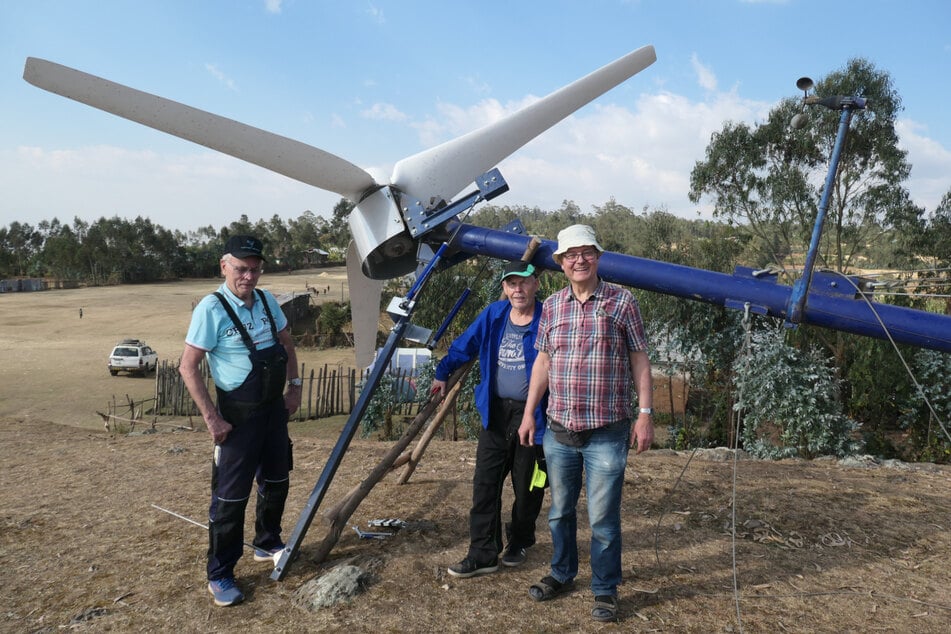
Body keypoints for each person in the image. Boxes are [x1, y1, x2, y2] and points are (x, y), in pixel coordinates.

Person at [517, 224, 653, 623]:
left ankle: (606, 589)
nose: (579, 260)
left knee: (602, 518)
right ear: (560, 263)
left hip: (607, 431)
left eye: (586, 252)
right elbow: (543, 361)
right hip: (560, 429)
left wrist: (645, 415)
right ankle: (561, 573)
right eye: (570, 254)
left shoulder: (622, 302)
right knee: (559, 511)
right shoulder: (554, 307)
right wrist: (529, 413)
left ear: (597, 257)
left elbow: (639, 359)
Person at [179, 235, 302, 607]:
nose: (248, 276)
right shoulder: (210, 309)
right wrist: (212, 418)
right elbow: (188, 367)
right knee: (231, 498)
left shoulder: (266, 301)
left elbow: (287, 344)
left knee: (278, 479)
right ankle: (220, 574)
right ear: (224, 266)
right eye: (241, 268)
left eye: (254, 269)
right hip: (237, 419)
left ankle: (268, 543)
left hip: (272, 412)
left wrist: (294, 388)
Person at [433, 260, 549, 578]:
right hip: (496, 412)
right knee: (485, 484)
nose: (517, 289)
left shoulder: (548, 320)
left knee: (529, 487)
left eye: (523, 282)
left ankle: (520, 539)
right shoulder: (494, 316)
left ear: (535, 284)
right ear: (505, 288)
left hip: (536, 416)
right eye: (511, 283)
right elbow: (466, 345)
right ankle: (483, 552)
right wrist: (443, 372)